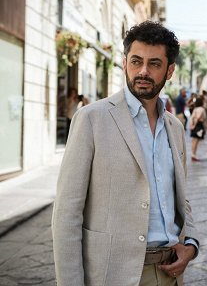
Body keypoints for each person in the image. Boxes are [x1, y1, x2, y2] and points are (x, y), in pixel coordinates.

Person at [52, 21, 199, 286]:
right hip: (112, 275)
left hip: (169, 274)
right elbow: (66, 214)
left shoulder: (175, 128)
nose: (143, 71)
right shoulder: (91, 119)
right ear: (124, 63)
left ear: (170, 71)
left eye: (154, 63)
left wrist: (190, 243)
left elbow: (181, 199)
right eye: (136, 61)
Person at [189, 95, 207, 161]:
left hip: (195, 125)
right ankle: (194, 155)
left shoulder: (195, 109)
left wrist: (191, 125)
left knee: (194, 140)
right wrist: (194, 125)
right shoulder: (201, 109)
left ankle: (193, 154)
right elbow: (198, 117)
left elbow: (192, 117)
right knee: (196, 141)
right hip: (198, 125)